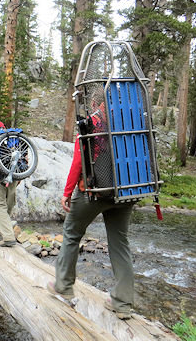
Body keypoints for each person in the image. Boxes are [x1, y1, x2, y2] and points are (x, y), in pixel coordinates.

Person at [47, 113, 135, 320]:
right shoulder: (130, 122)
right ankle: (122, 303)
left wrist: (67, 192)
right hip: (124, 191)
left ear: (95, 101)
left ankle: (63, 286)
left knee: (71, 233)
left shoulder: (93, 123)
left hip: (93, 191)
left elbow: (79, 161)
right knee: (120, 243)